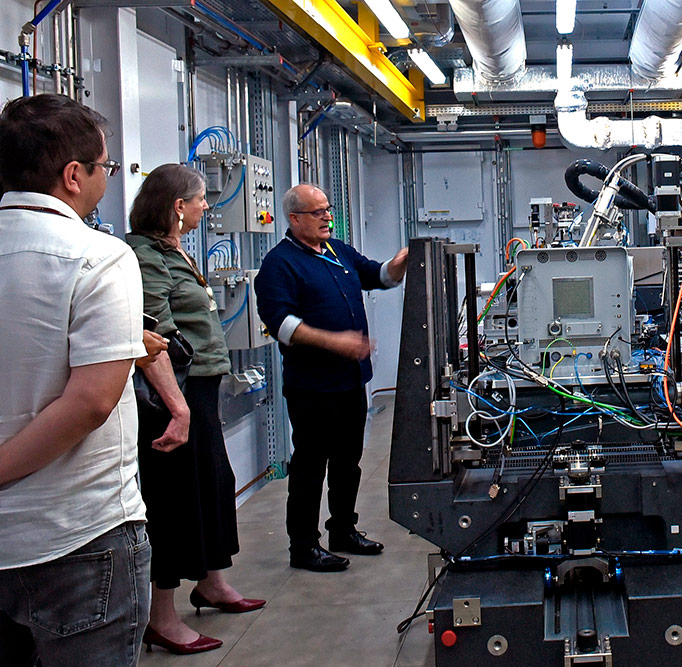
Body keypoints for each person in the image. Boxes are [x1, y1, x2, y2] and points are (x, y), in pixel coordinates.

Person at [0, 94, 151, 666]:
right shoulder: (99, 257)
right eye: (105, 168)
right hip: (77, 537)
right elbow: (89, 402)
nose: (107, 179)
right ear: (72, 175)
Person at [127, 164, 265, 655]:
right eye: (201, 198)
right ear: (175, 206)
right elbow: (154, 336)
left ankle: (211, 581)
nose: (208, 206)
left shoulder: (173, 250)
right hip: (173, 398)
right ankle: (160, 616)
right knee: (174, 500)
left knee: (213, 486)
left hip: (200, 391)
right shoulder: (144, 256)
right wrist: (177, 406)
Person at [255, 183, 407, 572]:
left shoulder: (338, 252)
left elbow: (377, 276)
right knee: (309, 467)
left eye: (328, 209)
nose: (328, 217)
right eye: (318, 212)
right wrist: (333, 341)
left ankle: (343, 529)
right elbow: (282, 324)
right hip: (313, 387)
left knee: (347, 461)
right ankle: (303, 547)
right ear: (294, 219)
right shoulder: (280, 264)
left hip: (351, 381)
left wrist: (400, 262)